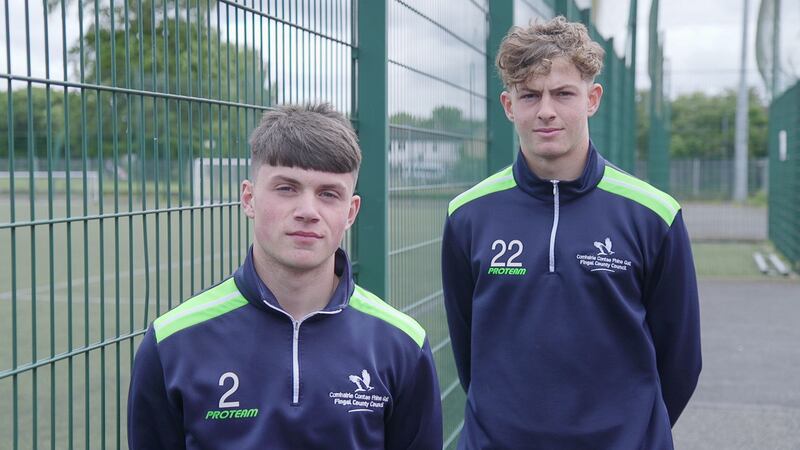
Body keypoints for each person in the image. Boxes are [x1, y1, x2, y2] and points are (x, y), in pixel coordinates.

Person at [441, 17, 701, 449]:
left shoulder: (654, 214)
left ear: (592, 98)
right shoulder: (468, 214)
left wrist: (631, 432)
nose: (546, 110)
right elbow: (468, 350)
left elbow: (681, 359)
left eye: (563, 93)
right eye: (530, 95)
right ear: (509, 105)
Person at [128, 103, 443, 449]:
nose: (308, 211)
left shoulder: (402, 345)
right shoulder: (173, 341)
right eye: (286, 188)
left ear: (350, 211)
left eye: (328, 194)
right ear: (249, 199)